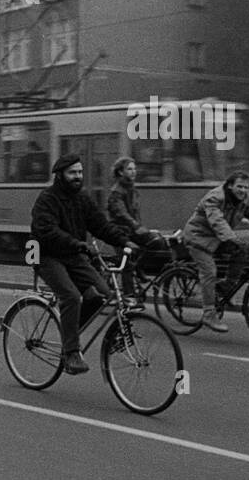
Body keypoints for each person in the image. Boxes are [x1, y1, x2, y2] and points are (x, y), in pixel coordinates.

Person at [30, 154, 131, 374]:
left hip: (73, 255)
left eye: (80, 172)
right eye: (72, 173)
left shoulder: (82, 198)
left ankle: (70, 335)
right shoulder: (47, 199)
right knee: (71, 296)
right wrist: (77, 244)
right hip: (47, 256)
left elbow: (100, 225)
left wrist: (125, 242)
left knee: (104, 294)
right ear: (60, 175)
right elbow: (46, 231)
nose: (78, 176)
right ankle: (71, 353)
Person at [182, 171, 249, 333]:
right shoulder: (215, 198)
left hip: (219, 238)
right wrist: (233, 239)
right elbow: (217, 222)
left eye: (246, 187)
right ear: (230, 186)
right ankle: (209, 314)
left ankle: (225, 288)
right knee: (209, 272)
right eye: (239, 186)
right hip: (199, 237)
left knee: (243, 252)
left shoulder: (244, 201)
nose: (243, 190)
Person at [106, 157, 163, 309]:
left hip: (132, 229)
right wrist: (136, 225)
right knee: (127, 265)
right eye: (130, 169)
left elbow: (135, 212)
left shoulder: (132, 188)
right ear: (121, 172)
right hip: (119, 232)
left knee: (157, 241)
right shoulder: (116, 192)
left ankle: (139, 268)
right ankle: (129, 298)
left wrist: (142, 229)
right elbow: (121, 213)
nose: (134, 172)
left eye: (134, 169)